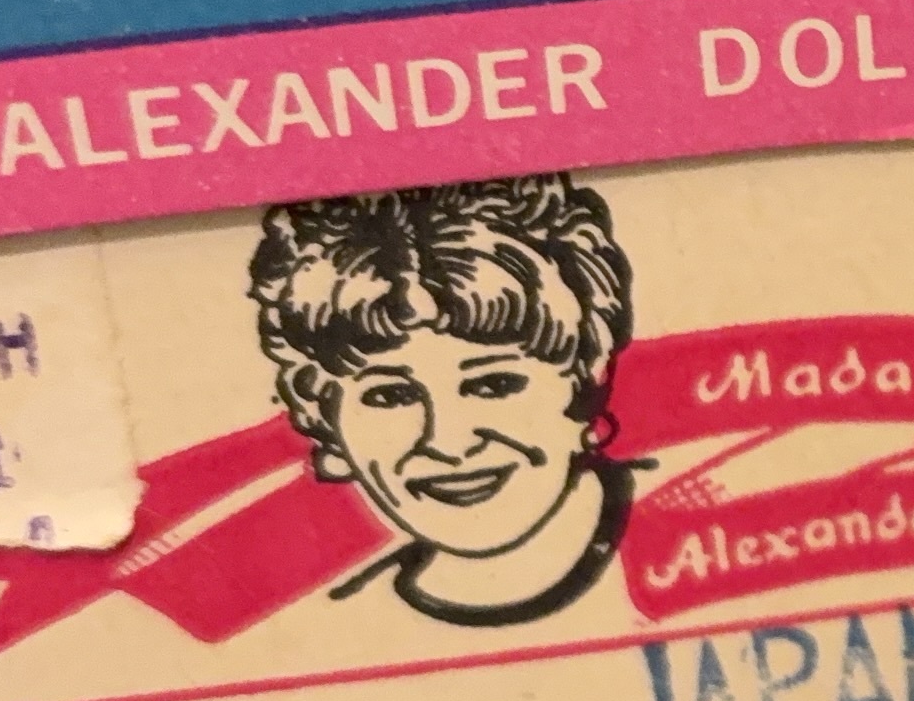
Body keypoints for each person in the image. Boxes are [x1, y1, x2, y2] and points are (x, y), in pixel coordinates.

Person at [250, 173, 639, 628]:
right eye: (390, 395)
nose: (448, 442)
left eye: (493, 385)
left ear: (585, 378)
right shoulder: (330, 626)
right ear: (323, 415)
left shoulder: (695, 520)